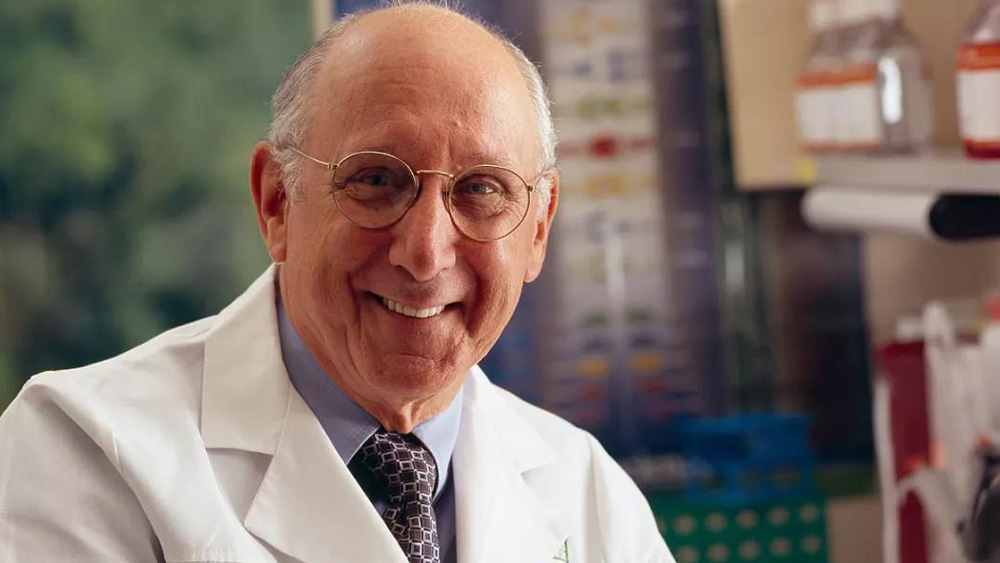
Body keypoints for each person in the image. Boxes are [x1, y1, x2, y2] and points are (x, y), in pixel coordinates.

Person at [0, 3, 674, 562]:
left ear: (538, 228)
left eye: (481, 189)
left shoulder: (590, 496)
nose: (425, 253)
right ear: (276, 202)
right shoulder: (82, 452)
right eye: (376, 180)